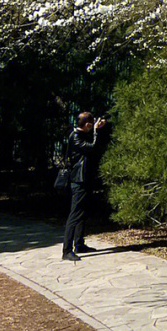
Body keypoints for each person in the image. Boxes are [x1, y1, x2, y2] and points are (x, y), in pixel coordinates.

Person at [61, 111, 109, 262]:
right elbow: (93, 148)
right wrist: (96, 131)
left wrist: (98, 130)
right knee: (75, 214)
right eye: (92, 123)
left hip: (85, 178)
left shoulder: (83, 135)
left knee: (82, 213)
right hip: (78, 180)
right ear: (87, 124)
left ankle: (79, 244)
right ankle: (67, 250)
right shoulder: (75, 137)